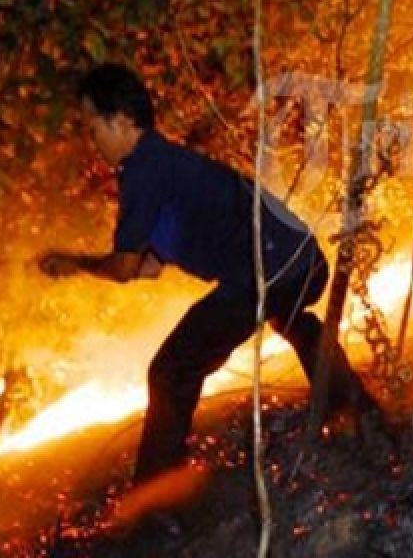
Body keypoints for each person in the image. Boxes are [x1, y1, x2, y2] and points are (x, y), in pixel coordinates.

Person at [39, 63, 377, 486]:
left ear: (123, 122)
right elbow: (148, 267)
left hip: (268, 271)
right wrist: (97, 266)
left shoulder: (144, 170)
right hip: (302, 260)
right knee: (285, 313)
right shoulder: (164, 162)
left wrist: (74, 264)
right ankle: (351, 406)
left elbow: (126, 268)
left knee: (171, 370)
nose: (92, 142)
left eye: (93, 128)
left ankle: (155, 499)